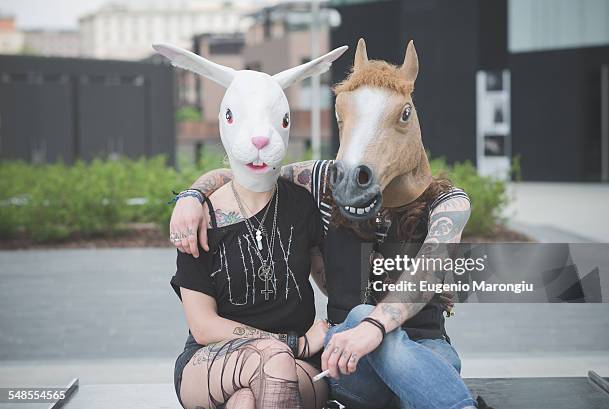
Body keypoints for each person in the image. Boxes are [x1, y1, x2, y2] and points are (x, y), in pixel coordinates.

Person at [168, 38, 478, 409]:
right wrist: (192, 196)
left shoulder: (447, 203)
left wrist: (373, 326)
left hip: (424, 350)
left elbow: (428, 272)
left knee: (389, 344)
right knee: (364, 323)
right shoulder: (324, 181)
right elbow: (254, 171)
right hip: (347, 359)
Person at [152, 42, 349, 409]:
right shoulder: (202, 218)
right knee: (269, 363)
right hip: (213, 359)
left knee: (246, 401)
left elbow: (332, 283)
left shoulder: (301, 202)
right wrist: (293, 343)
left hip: (296, 367)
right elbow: (203, 326)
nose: (261, 140)